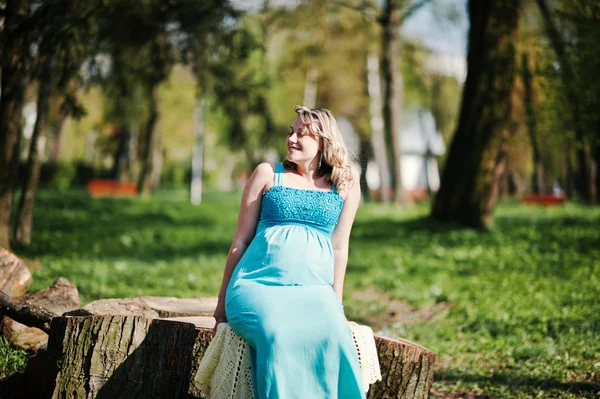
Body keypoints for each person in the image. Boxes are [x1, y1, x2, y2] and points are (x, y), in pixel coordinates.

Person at [212, 105, 365, 399]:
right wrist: (221, 305)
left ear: (323, 141)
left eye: (301, 134)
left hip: (313, 291)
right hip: (257, 287)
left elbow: (340, 247)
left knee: (336, 337)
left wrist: (337, 305)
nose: (292, 139)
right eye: (290, 132)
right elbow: (239, 242)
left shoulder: (344, 184)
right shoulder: (268, 174)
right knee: (278, 335)